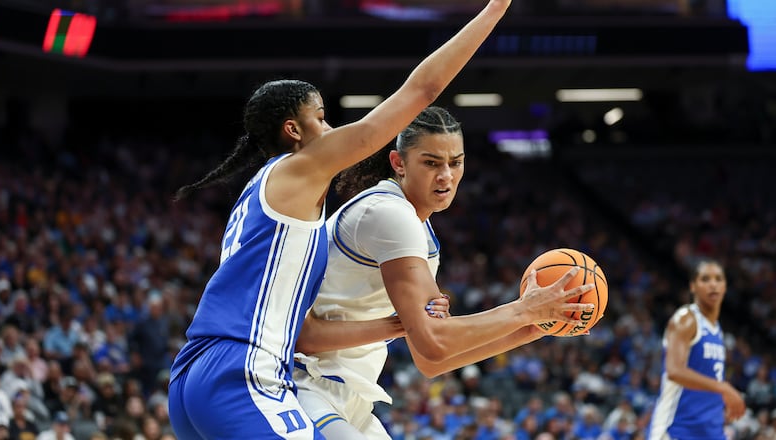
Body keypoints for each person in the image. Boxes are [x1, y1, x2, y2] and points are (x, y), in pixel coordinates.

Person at [167, 0, 535, 437]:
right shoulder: (301, 168)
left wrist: (394, 324)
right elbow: (422, 91)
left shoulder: (265, 197)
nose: (330, 130)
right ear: (293, 130)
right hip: (244, 367)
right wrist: (494, 10)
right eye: (321, 119)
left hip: (194, 369)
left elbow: (301, 328)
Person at [292, 106, 596, 439]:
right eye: (431, 163)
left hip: (349, 397)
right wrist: (524, 309)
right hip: (307, 384)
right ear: (398, 163)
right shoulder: (389, 214)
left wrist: (536, 326)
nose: (446, 176)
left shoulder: (421, 234)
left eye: (455, 162)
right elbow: (434, 343)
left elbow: (431, 362)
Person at [647, 258, 746, 440]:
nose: (713, 285)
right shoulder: (686, 319)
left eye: (718, 279)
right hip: (677, 430)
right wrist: (724, 388)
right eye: (705, 279)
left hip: (710, 432)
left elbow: (707, 382)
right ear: (693, 286)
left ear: (725, 286)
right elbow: (674, 371)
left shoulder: (717, 330)